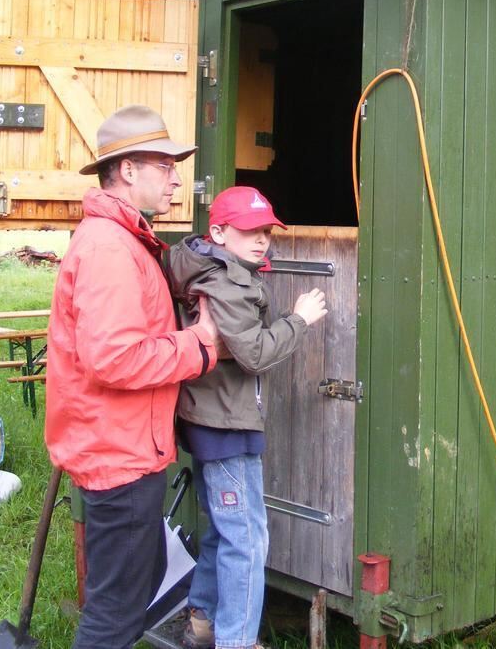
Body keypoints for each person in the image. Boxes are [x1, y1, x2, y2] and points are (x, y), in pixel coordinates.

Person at [45, 104, 220, 649]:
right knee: (114, 616)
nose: (175, 179)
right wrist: (199, 347)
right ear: (126, 170)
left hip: (126, 450)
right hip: (115, 457)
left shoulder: (125, 241)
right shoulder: (107, 248)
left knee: (127, 597)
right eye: (164, 166)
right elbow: (115, 358)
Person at [164, 186, 328, 649]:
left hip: (211, 416)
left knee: (222, 527)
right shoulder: (224, 282)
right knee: (248, 539)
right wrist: (298, 319)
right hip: (226, 424)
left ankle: (203, 618)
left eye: (266, 231)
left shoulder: (214, 268)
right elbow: (253, 353)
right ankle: (236, 641)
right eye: (249, 231)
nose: (262, 240)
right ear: (218, 231)